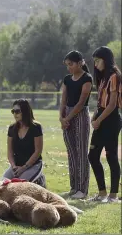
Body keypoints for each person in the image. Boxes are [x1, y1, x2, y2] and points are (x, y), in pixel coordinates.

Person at [87, 46, 122, 203]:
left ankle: (113, 196)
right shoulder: (102, 78)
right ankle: (102, 193)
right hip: (101, 117)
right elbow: (101, 103)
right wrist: (94, 117)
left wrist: (99, 120)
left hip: (111, 119)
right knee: (93, 156)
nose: (95, 65)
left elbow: (113, 104)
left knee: (111, 156)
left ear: (106, 60)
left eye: (98, 60)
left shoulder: (114, 76)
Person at [60, 50, 93, 199]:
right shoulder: (67, 79)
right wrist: (62, 117)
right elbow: (64, 99)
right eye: (67, 65)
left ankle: (82, 190)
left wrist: (69, 117)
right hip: (67, 115)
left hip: (80, 116)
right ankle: (73, 187)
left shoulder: (87, 78)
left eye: (71, 64)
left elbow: (81, 102)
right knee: (71, 152)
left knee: (81, 153)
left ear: (80, 63)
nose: (69, 67)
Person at [3, 99, 45, 187]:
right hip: (16, 166)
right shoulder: (12, 128)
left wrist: (24, 168)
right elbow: (10, 151)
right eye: (13, 111)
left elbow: (38, 151)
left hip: (33, 165)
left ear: (25, 111)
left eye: (17, 111)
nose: (15, 114)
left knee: (19, 185)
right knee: (2, 184)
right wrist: (14, 166)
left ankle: (40, 179)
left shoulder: (36, 127)